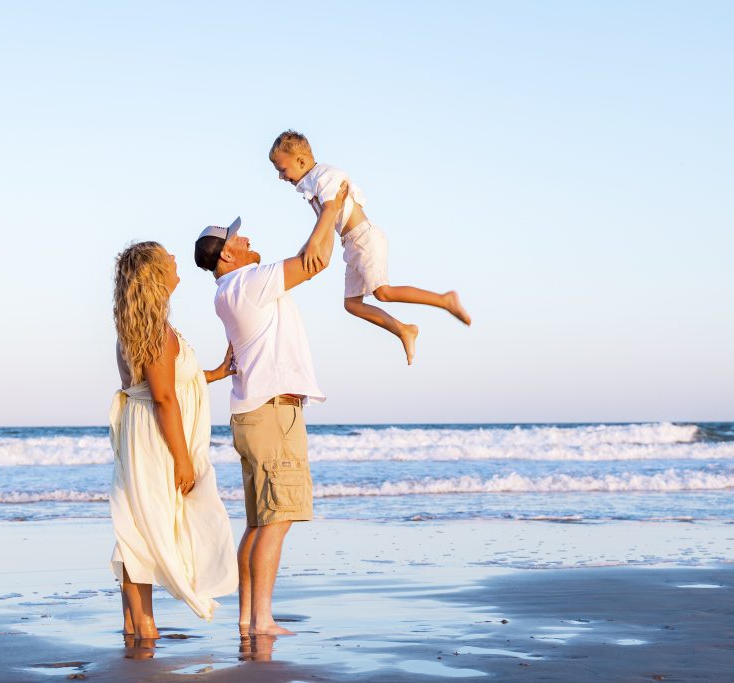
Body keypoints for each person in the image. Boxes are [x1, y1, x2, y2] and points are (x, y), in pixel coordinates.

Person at [193, 208, 336, 636]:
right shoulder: (248, 282)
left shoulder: (227, 291)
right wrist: (329, 208)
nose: (246, 238)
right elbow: (316, 261)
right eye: (237, 239)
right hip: (274, 413)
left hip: (250, 414)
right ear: (227, 257)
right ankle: (261, 619)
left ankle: (247, 617)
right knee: (277, 520)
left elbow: (304, 259)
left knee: (259, 523)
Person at [109, 241, 238, 641]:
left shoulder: (138, 327)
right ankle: (143, 623)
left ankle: (135, 622)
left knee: (137, 524)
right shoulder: (156, 332)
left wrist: (215, 373)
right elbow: (164, 398)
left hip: (138, 433)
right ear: (155, 274)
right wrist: (183, 460)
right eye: (168, 258)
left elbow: (166, 384)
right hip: (156, 439)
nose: (176, 261)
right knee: (151, 524)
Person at [269, 129, 472, 365]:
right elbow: (324, 220)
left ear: (301, 161)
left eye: (282, 170)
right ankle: (404, 330)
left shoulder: (325, 175)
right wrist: (307, 246)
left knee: (383, 292)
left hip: (364, 239)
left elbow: (330, 210)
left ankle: (444, 300)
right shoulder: (312, 183)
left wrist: (314, 243)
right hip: (351, 244)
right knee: (352, 305)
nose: (281, 177)